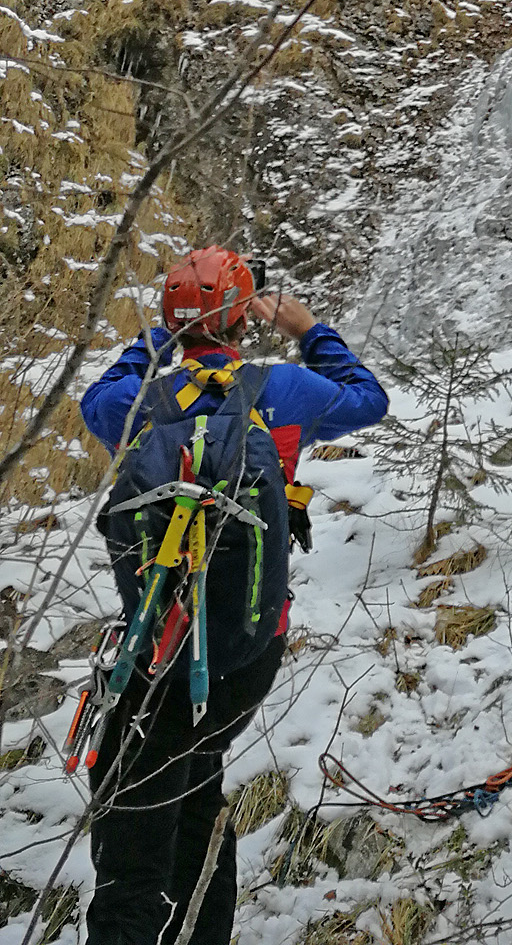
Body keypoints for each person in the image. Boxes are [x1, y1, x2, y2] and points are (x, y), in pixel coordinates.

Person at [78, 246, 388, 945]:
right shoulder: (283, 389)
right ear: (244, 317)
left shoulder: (137, 402)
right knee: (195, 793)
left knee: (132, 830)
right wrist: (309, 333)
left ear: (170, 317)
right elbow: (370, 399)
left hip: (157, 642)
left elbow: (95, 400)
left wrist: (156, 341)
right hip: (249, 639)